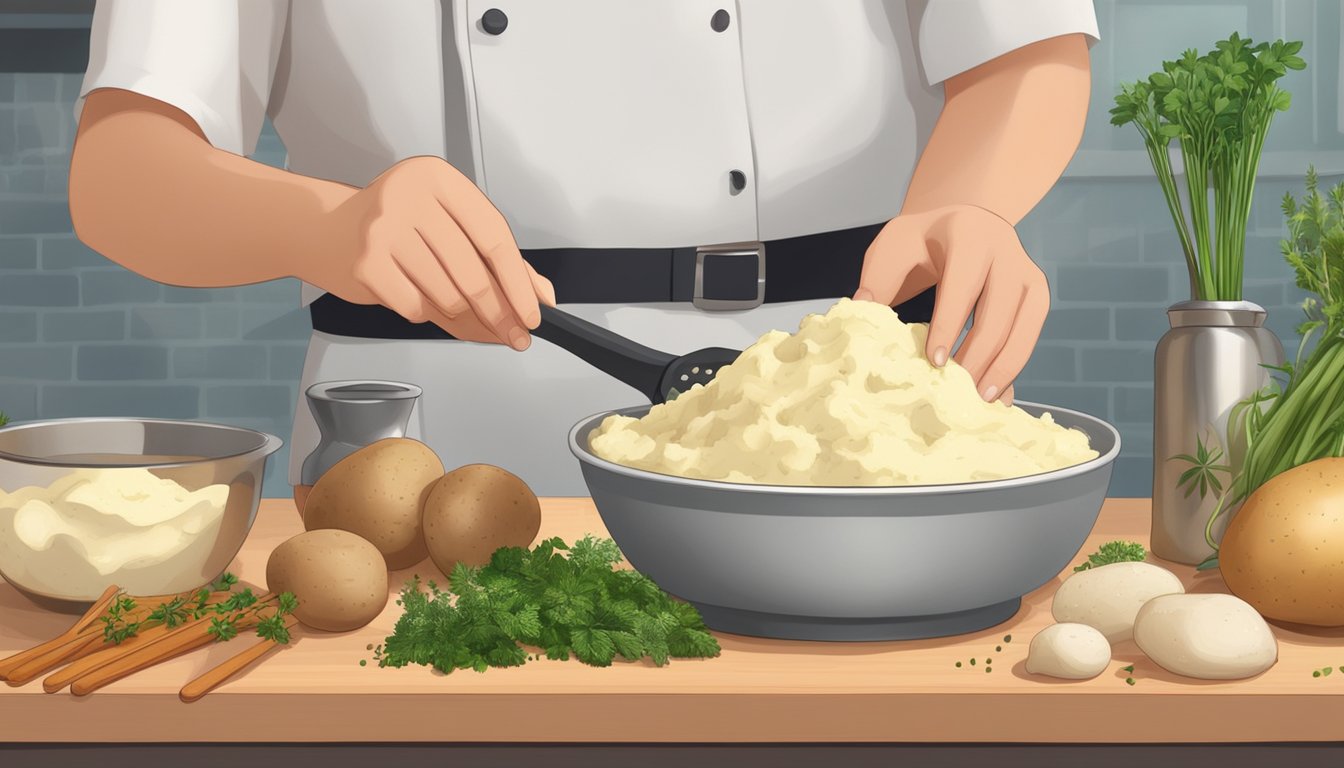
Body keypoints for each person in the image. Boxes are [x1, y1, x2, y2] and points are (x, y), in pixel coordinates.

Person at [68, 1, 1097, 496]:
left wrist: (969, 204)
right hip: (442, 433)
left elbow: (1020, 47)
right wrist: (322, 226)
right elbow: (119, 169)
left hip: (838, 404)